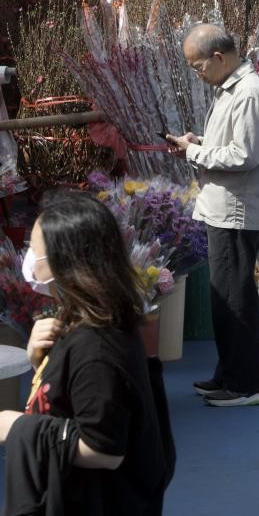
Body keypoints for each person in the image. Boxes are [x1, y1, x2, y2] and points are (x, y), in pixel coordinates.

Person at [0, 191, 174, 513]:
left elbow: (104, 449)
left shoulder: (98, 347)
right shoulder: (89, 319)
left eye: (34, 250)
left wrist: (16, 427)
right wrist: (43, 361)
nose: (28, 258)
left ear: (66, 262)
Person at [167, 24, 259, 406]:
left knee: (236, 299)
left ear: (219, 57)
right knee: (225, 297)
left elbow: (243, 156)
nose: (197, 74)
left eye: (198, 66)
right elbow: (232, 146)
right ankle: (229, 373)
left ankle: (247, 384)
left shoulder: (248, 92)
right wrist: (198, 144)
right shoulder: (232, 89)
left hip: (236, 208)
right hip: (223, 206)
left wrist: (194, 153)